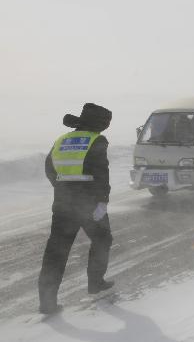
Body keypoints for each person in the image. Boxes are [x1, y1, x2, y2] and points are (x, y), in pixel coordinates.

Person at [38, 103, 114, 314]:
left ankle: (47, 303)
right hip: (88, 203)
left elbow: (49, 168)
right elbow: (101, 173)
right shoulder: (96, 140)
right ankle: (95, 283)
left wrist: (62, 187)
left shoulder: (61, 140)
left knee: (56, 251)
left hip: (62, 202)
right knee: (102, 239)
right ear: (99, 124)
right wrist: (102, 202)